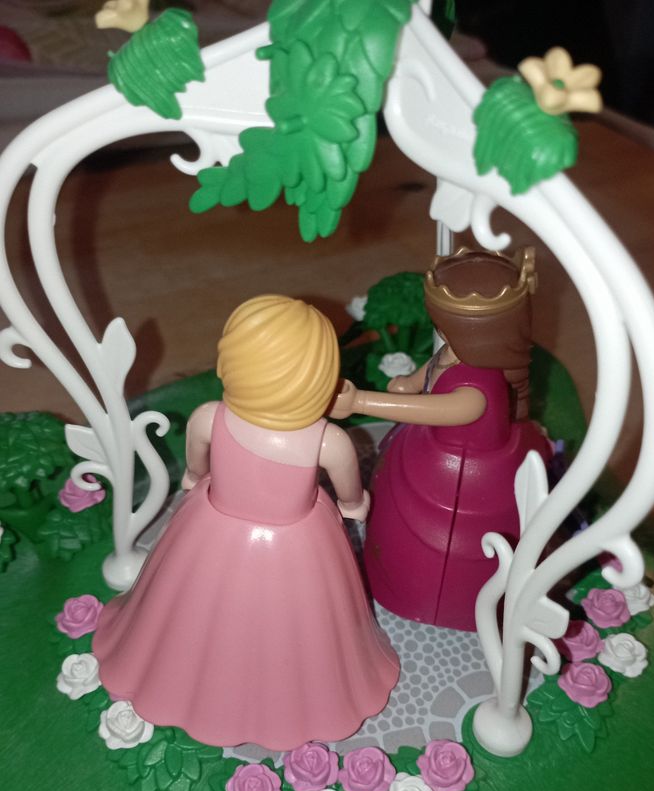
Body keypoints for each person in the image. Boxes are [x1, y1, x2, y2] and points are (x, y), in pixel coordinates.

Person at [93, 295, 399, 750]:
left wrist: (196, 479)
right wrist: (355, 507)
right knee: (304, 627)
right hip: (300, 547)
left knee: (193, 612)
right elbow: (351, 496)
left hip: (210, 532)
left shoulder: (208, 418)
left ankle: (197, 684)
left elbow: (195, 470)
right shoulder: (329, 441)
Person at [333, 247, 552, 632]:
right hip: (427, 451)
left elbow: (433, 409)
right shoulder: (457, 350)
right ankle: (398, 583)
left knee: (441, 549)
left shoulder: (476, 394)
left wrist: (360, 401)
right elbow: (436, 366)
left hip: (461, 480)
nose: (442, 334)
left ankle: (439, 608)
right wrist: (411, 381)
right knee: (397, 523)